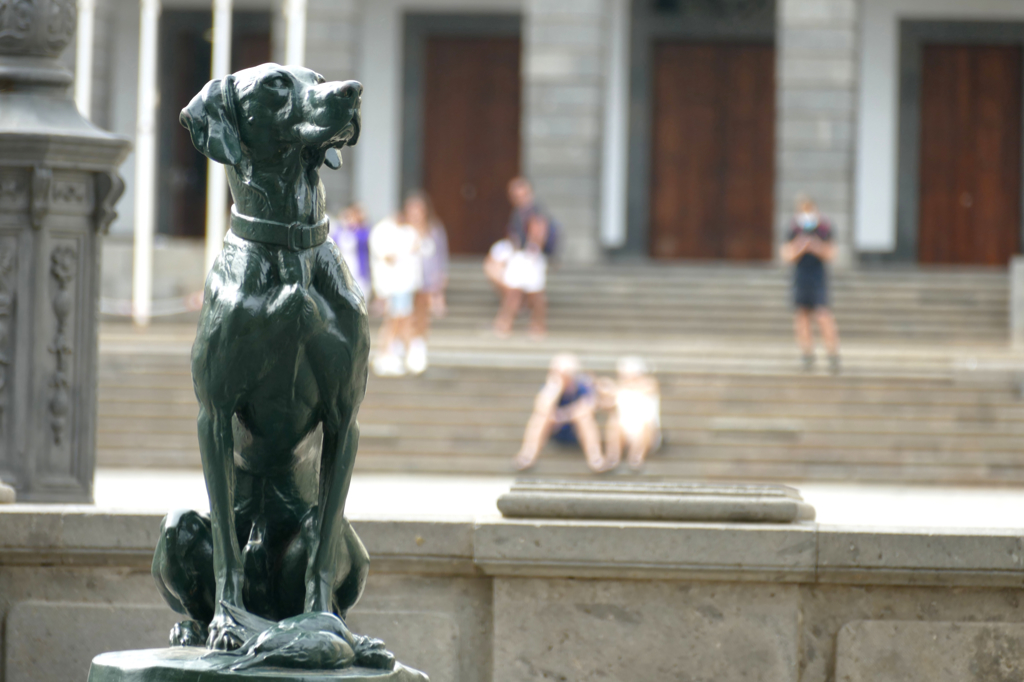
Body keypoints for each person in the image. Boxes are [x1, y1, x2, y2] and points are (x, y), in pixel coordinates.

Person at [514, 354, 606, 473]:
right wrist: (555, 389)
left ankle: (596, 458)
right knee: (540, 418)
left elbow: (587, 408)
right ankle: (527, 456)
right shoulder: (551, 387)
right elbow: (541, 408)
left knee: (585, 418)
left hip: (575, 429)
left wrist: (562, 416)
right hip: (555, 429)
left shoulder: (582, 386)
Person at [781, 195, 841, 373]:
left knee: (823, 314)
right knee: (802, 315)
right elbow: (786, 255)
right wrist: (800, 247)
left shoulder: (824, 227)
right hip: (801, 275)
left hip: (818, 275)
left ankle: (832, 354)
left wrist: (816, 246)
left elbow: (831, 254)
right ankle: (807, 354)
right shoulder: (793, 228)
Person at [369, 211, 429, 377]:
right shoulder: (384, 231)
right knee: (394, 321)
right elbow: (387, 257)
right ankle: (385, 355)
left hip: (405, 286)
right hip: (394, 286)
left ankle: (397, 354)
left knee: (402, 320)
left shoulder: (409, 232)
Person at [405, 191, 448, 375]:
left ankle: (419, 344)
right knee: (405, 313)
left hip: (427, 280)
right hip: (406, 279)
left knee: (423, 313)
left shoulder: (434, 230)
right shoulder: (403, 229)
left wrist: (440, 285)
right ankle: (406, 344)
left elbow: (440, 256)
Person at [598, 357, 661, 471]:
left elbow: (649, 387)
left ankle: (636, 458)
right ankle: (612, 458)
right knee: (613, 421)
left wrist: (615, 388)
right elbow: (605, 405)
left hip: (646, 433)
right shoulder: (619, 390)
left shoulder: (648, 385)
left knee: (646, 424)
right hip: (625, 433)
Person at [493, 213, 548, 339]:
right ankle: (505, 322)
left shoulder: (544, 246)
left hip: (535, 265)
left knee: (538, 297)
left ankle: (537, 325)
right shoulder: (517, 243)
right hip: (520, 264)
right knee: (514, 293)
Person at [329, 204, 371, 299]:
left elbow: (364, 240)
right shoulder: (338, 232)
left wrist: (360, 223)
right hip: (342, 267)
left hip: (358, 270)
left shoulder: (362, 231)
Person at [506, 177, 558, 255]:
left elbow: (537, 240)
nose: (521, 200)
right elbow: (513, 238)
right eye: (517, 197)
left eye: (524, 196)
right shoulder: (516, 215)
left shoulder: (537, 213)